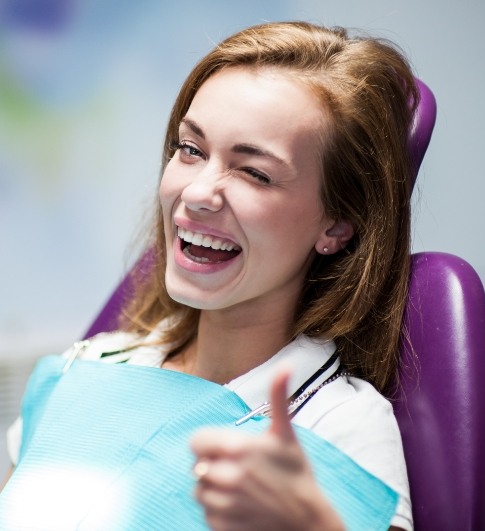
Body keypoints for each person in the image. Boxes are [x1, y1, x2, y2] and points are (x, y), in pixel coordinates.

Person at [1, 21, 418, 530]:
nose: (197, 193)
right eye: (191, 150)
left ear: (336, 223)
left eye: (254, 172)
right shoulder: (87, 365)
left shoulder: (338, 423)